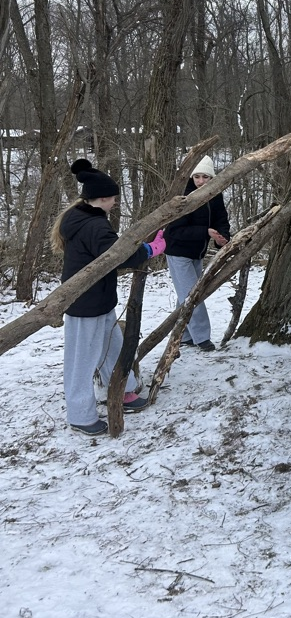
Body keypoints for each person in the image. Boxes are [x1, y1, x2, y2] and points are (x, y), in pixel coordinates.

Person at [50, 159, 166, 437]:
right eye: (113, 198)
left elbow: (112, 249)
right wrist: (149, 250)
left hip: (100, 299)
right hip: (84, 303)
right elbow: (117, 255)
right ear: (102, 199)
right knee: (82, 360)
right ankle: (80, 415)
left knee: (112, 348)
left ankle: (123, 391)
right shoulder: (94, 226)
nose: (115, 202)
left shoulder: (85, 217)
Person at [164, 155, 230, 352]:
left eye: (205, 177)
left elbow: (221, 219)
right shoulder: (183, 197)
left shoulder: (215, 195)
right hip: (178, 252)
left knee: (185, 295)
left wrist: (222, 237)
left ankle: (184, 335)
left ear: (212, 178)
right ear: (191, 177)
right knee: (193, 295)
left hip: (197, 253)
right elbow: (174, 231)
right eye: (197, 177)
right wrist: (205, 232)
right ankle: (202, 337)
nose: (201, 181)